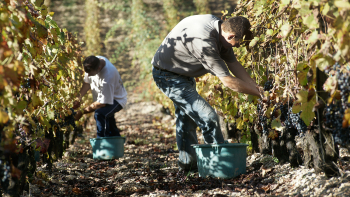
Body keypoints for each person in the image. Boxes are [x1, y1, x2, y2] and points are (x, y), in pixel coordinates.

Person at [151, 15, 262, 171]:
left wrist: (257, 88)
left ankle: (188, 166)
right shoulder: (205, 42)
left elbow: (234, 64)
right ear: (230, 36)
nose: (235, 48)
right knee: (208, 116)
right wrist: (261, 96)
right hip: (168, 75)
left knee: (186, 120)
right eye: (235, 44)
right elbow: (228, 81)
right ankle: (218, 167)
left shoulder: (222, 31)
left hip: (183, 74)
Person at [73, 55, 127, 138]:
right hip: (106, 97)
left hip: (117, 99)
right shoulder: (93, 63)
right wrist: (79, 98)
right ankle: (116, 144)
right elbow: (87, 83)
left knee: (100, 114)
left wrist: (81, 112)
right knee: (110, 123)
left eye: (90, 73)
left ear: (98, 69)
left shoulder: (108, 76)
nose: (88, 75)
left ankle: (102, 142)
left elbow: (102, 103)